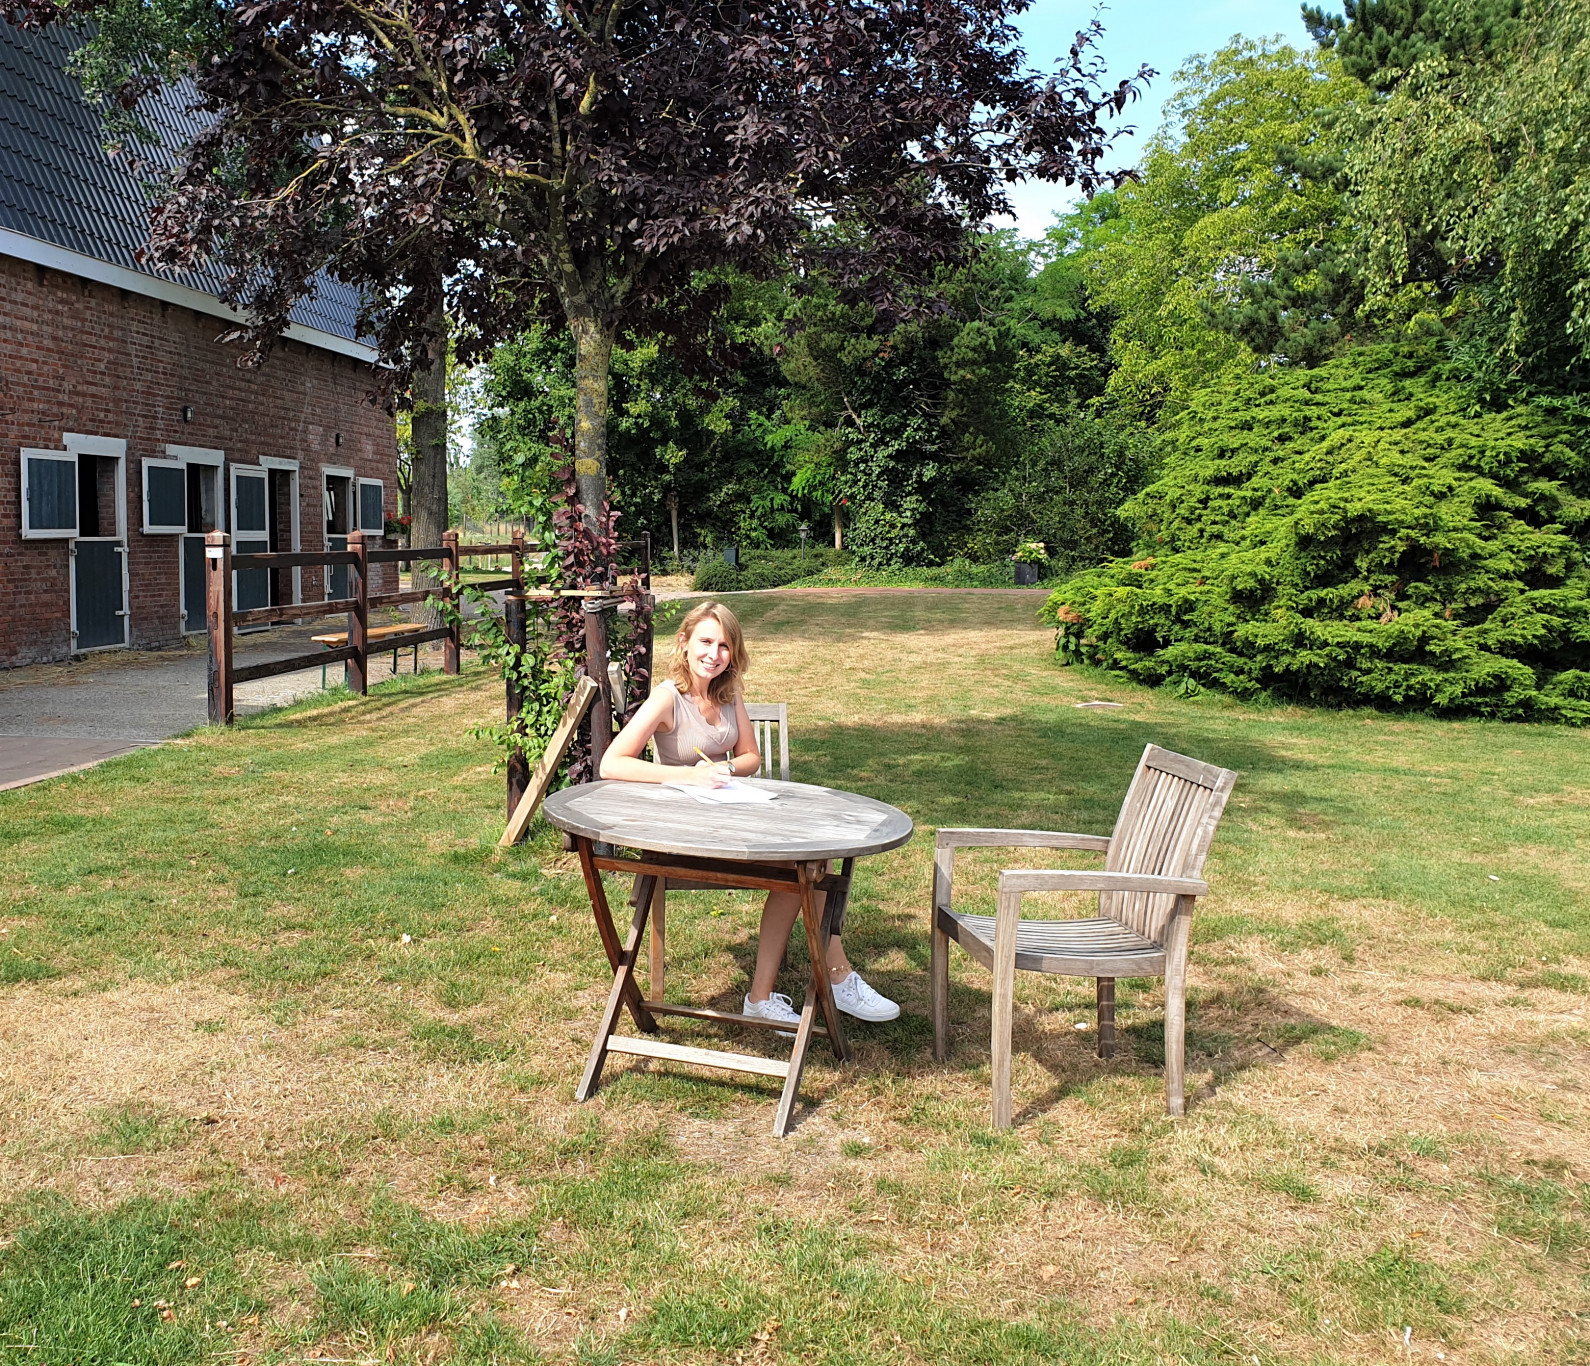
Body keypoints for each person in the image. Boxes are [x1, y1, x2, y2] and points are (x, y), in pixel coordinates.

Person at [598, 599, 899, 1025]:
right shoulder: (667, 699)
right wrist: (686, 777)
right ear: (683, 643)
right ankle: (825, 981)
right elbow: (612, 764)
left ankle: (807, 984)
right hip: (684, 837)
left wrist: (724, 767)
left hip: (728, 820)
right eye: (705, 641)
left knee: (815, 856)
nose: (713, 654)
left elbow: (751, 757)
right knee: (808, 861)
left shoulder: (727, 694)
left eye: (724, 646)